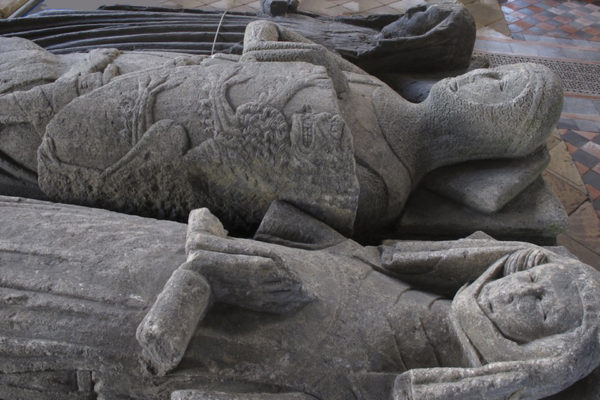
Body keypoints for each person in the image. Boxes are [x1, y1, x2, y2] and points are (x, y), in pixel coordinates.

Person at [0, 20, 563, 236]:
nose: (481, 77)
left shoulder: (379, 187)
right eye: (498, 72)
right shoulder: (376, 89)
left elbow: (241, 211)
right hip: (150, 76)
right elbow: (263, 31)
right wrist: (269, 59)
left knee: (17, 130)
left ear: (499, 133)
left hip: (126, 141)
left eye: (502, 90)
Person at [0, 196, 597, 400]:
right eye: (529, 276)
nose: (521, 290)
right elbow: (315, 244)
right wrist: (217, 245)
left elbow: (181, 380)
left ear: (537, 352)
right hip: (130, 249)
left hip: (106, 318)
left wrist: (196, 285)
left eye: (542, 307)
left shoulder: (392, 381)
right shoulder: (411, 283)